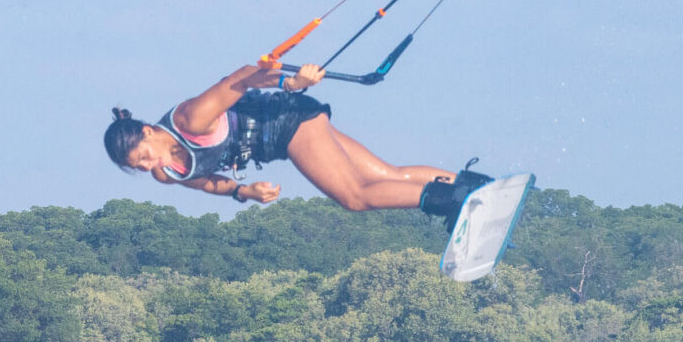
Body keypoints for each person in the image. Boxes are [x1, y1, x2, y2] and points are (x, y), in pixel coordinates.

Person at [103, 61, 490, 228]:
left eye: (142, 156)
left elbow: (241, 78)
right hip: (284, 137)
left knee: (355, 196)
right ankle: (476, 187)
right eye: (137, 167)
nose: (145, 166)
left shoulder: (190, 118)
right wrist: (244, 192)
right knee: (389, 175)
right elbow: (207, 183)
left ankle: (456, 201)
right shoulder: (166, 174)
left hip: (287, 121)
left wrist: (290, 82)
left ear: (148, 132)